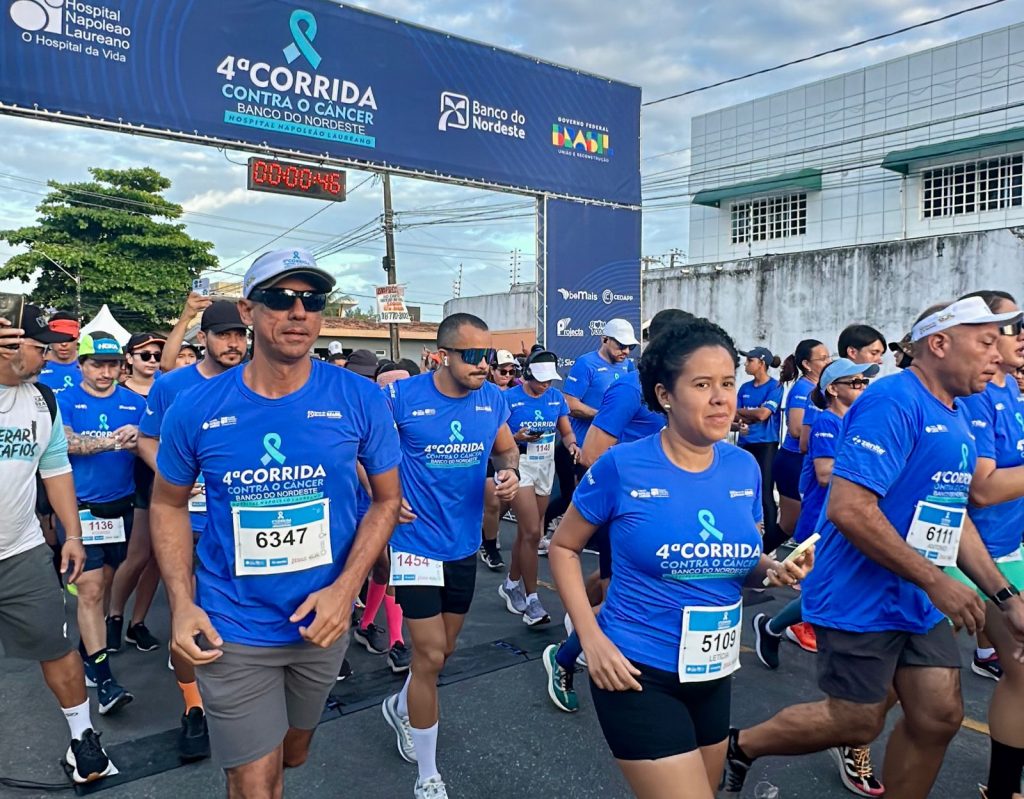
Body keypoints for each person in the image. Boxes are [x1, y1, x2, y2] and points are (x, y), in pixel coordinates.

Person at [721, 296, 1024, 799]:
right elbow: (849, 508)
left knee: (940, 716)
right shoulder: (894, 401)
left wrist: (1004, 597)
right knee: (857, 721)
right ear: (939, 344)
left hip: (917, 599)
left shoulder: (955, 416)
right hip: (861, 596)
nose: (1000, 354)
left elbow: (954, 515)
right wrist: (935, 580)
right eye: (986, 342)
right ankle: (740, 745)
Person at [150, 248, 402, 799]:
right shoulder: (195, 407)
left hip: (321, 621)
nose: (298, 312)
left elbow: (386, 501)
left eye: (312, 300)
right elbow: (167, 504)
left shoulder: (358, 397)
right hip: (231, 623)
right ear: (247, 310)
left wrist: (345, 591)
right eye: (280, 298)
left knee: (293, 753)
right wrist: (182, 600)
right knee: (254, 780)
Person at [546, 317, 812, 798]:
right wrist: (591, 638)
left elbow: (743, 563)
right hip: (636, 670)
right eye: (702, 384)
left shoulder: (744, 467)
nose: (720, 397)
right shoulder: (622, 466)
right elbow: (563, 547)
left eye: (728, 383)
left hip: (713, 672)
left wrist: (772, 570)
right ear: (665, 395)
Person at [381, 313, 519, 799]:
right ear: (442, 355)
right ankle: (428, 775)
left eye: (490, 356)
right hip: (414, 544)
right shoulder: (402, 398)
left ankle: (400, 707)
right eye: (474, 356)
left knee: (443, 654)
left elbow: (505, 452)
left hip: (462, 546)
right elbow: (360, 451)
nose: (485, 365)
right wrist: (384, 497)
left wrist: (510, 475)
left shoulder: (492, 399)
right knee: (429, 654)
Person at [751, 358, 883, 798]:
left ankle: (771, 626)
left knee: (830, 593)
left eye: (866, 379)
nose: (862, 386)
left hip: (851, 520)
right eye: (854, 381)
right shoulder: (827, 420)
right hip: (824, 520)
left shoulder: (858, 417)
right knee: (826, 592)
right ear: (832, 388)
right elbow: (826, 474)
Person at [0, 305, 114, 784]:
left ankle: (82, 739)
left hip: (20, 550)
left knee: (56, 645)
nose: (49, 354)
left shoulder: (43, 399)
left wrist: (72, 534)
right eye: (38, 345)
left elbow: (56, 469)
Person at [138, 298, 248, 762]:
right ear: (203, 338)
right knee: (186, 612)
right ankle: (193, 709)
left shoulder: (259, 382)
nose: (235, 344)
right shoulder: (174, 385)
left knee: (240, 615)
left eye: (241, 335)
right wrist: (175, 478)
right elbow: (148, 438)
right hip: (190, 521)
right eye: (225, 334)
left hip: (244, 522)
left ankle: (246, 698)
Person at [947, 290, 1024, 799]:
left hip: (1007, 553)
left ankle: (1000, 790)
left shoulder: (1014, 391)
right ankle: (852, 733)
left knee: (1020, 669)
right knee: (893, 689)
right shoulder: (975, 396)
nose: (1016, 338)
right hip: (961, 553)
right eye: (1008, 328)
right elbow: (984, 487)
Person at [57, 331, 145, 716]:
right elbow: (68, 444)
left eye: (112, 365)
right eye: (97, 364)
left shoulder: (134, 402)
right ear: (81, 365)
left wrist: (140, 436)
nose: (106, 372)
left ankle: (86, 651)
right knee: (90, 590)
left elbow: (151, 442)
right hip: (79, 510)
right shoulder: (63, 400)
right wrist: (115, 441)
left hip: (122, 508)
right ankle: (106, 680)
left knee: (106, 583)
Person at [498, 349, 578, 625]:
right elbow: (496, 436)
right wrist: (516, 436)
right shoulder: (508, 398)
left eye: (549, 380)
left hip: (546, 465)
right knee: (533, 532)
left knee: (529, 533)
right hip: (518, 464)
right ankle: (532, 600)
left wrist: (572, 445)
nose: (546, 385)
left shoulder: (556, 398)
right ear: (528, 375)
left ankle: (510, 584)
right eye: (541, 380)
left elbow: (566, 431)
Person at [107, 332, 167, 654]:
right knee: (138, 555)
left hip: (169, 481)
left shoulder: (168, 388)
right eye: (145, 355)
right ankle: (114, 617)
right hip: (135, 482)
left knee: (159, 559)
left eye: (157, 355)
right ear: (129, 358)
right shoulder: (119, 394)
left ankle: (137, 623)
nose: (153, 360)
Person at [770, 339, 830, 550]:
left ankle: (757, 564)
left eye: (829, 357)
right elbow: (796, 429)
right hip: (793, 460)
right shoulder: (803, 389)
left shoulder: (818, 388)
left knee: (793, 524)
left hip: (802, 460)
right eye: (823, 359)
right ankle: (753, 564)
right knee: (792, 524)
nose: (828, 362)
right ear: (806, 364)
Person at [735, 347, 784, 542]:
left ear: (761, 363)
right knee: (742, 491)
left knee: (765, 493)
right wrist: (752, 413)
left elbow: (764, 415)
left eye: (749, 361)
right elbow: (734, 413)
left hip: (766, 445)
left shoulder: (775, 387)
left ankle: (769, 542)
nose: (746, 365)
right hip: (745, 443)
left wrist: (747, 412)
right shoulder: (744, 388)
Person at [480, 349, 518, 571]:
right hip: (475, 452)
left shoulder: (515, 392)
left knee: (493, 503)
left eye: (511, 371)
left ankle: (489, 545)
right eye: (503, 370)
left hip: (498, 454)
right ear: (492, 371)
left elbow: (505, 442)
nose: (507, 375)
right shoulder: (484, 391)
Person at [38, 310, 82, 396]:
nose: (64, 344)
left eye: (69, 338)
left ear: (78, 336)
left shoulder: (90, 365)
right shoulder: (35, 365)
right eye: (59, 337)